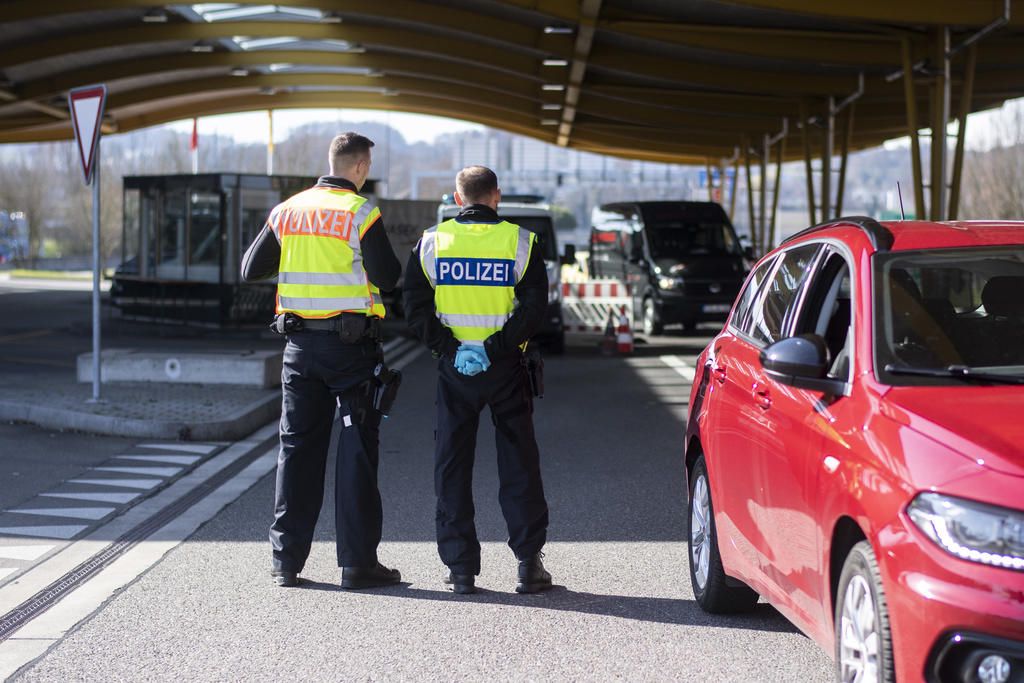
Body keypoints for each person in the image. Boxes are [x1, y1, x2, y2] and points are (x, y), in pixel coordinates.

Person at [241, 132, 403, 590]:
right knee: (355, 453)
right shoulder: (361, 211)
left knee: (296, 451)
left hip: (299, 350)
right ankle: (357, 564)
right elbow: (389, 278)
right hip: (350, 351)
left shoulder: (287, 210)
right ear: (360, 166)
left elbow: (250, 269)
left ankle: (285, 562)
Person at [403, 165, 551, 595]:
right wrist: (495, 347)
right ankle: (528, 564)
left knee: (452, 463)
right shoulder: (520, 242)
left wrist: (451, 349)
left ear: (456, 197)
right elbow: (533, 308)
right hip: (506, 368)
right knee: (518, 462)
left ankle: (461, 568)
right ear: (496, 196)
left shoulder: (432, 243)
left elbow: (414, 305)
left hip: (455, 371)